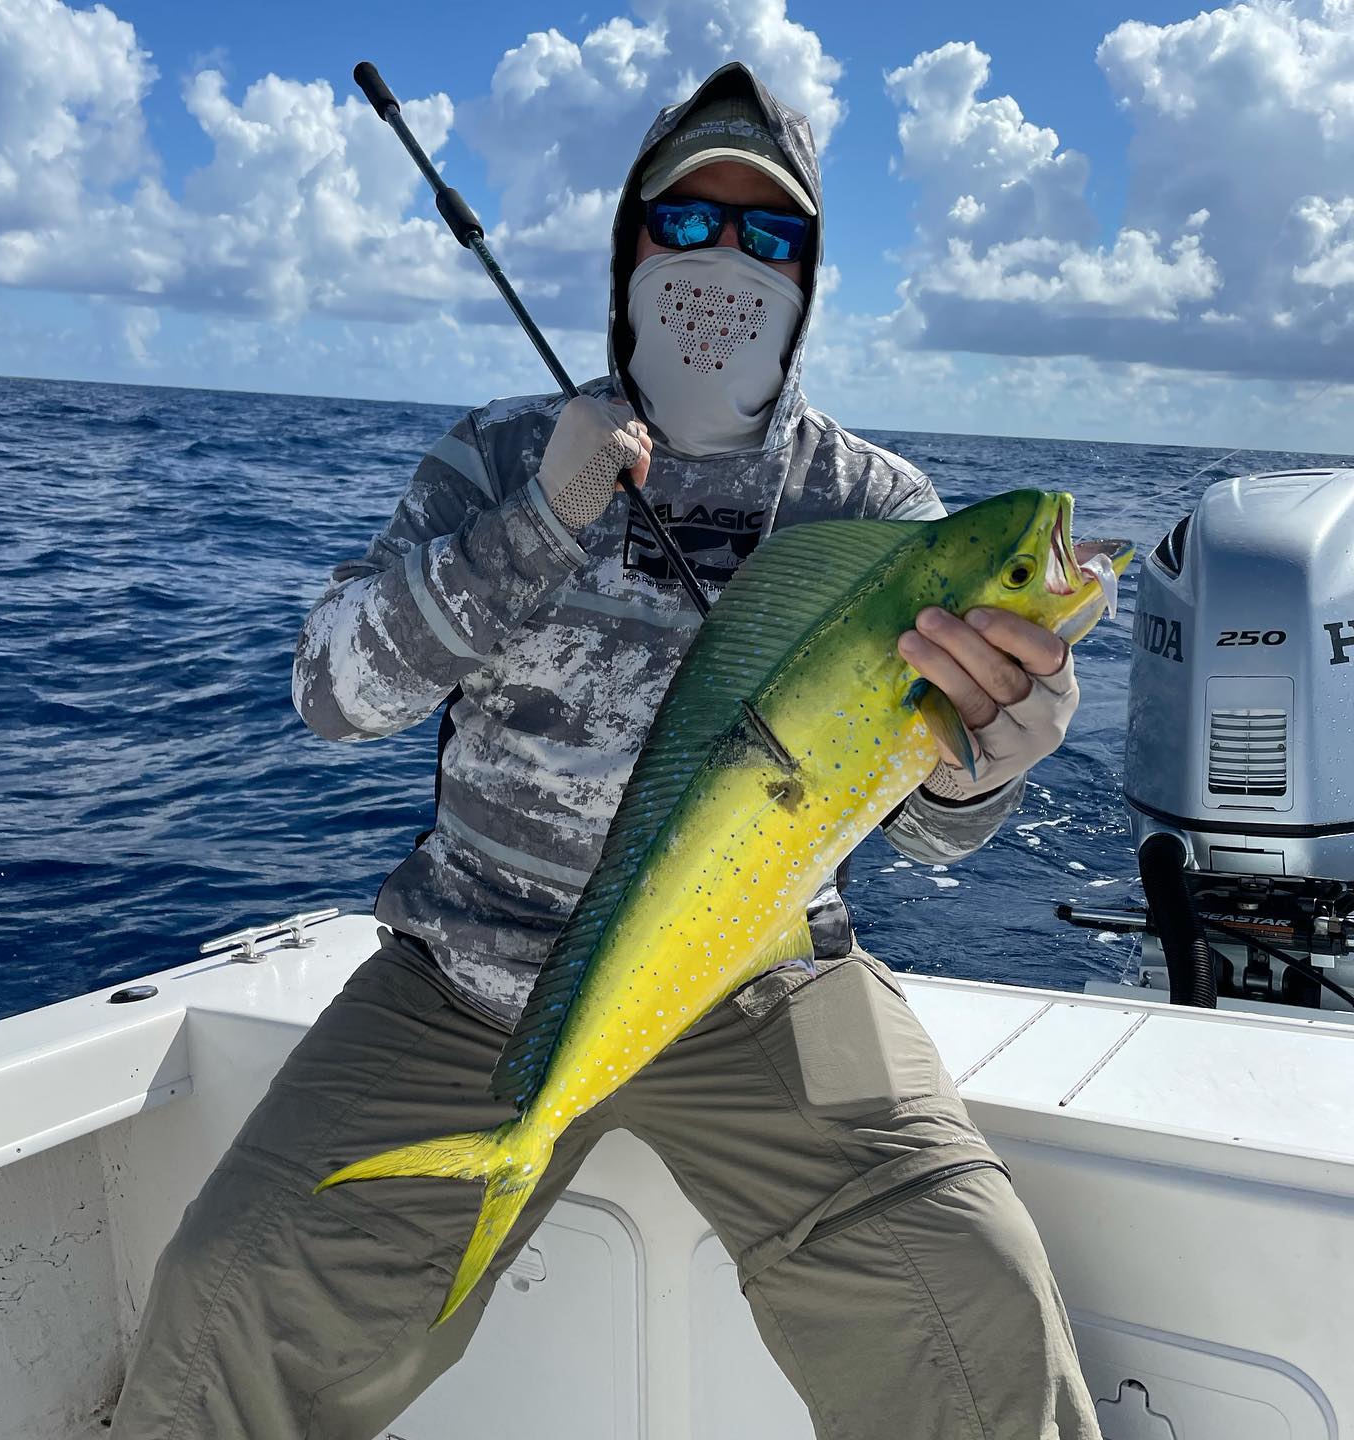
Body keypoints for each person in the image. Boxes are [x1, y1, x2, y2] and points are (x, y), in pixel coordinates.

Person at [111, 62, 1098, 1439]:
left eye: (769, 235)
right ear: (629, 247)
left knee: (976, 1307)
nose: (724, 262)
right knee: (229, 1301)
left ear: (808, 281)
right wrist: (541, 515)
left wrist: (991, 755)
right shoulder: (500, 452)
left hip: (763, 983)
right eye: (687, 223)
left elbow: (921, 832)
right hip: (469, 980)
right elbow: (333, 695)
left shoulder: (878, 511)